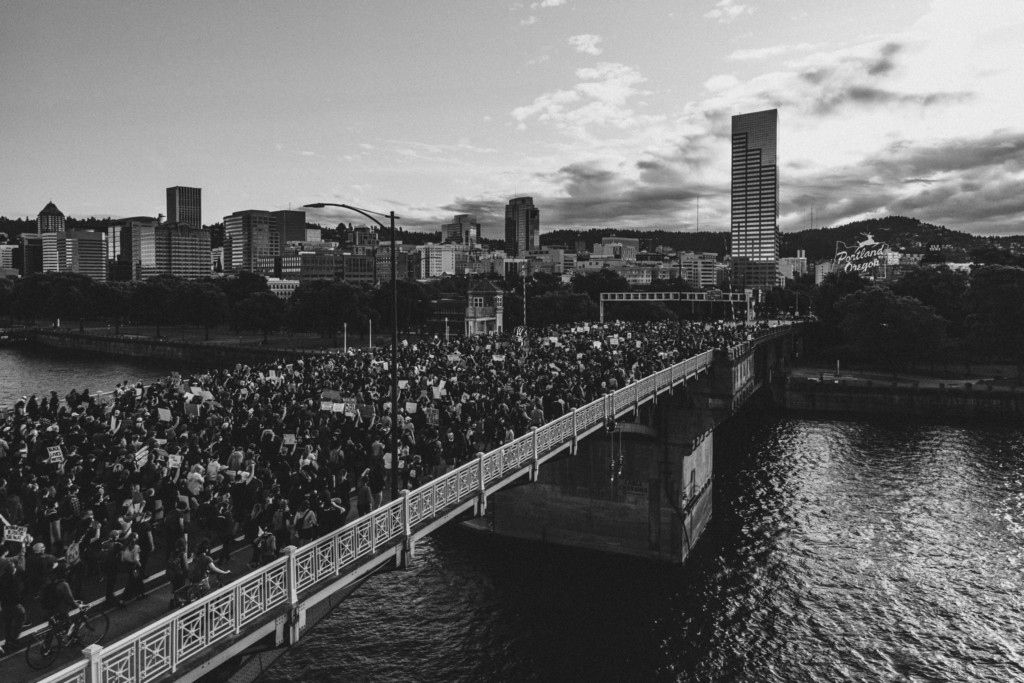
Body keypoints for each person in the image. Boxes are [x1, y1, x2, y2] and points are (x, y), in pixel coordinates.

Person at [39, 562, 80, 653]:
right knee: (70, 624)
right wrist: (77, 606)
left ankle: (46, 648)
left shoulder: (50, 581)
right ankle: (71, 640)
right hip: (59, 610)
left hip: (48, 609)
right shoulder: (63, 584)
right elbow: (70, 599)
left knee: (53, 628)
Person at [0, 560, 26, 653]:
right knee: (22, 617)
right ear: (12, 570)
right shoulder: (13, 579)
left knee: (8, 623)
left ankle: (8, 640)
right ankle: (14, 638)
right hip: (14, 604)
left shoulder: (2, 578)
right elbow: (16, 592)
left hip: (5, 604)